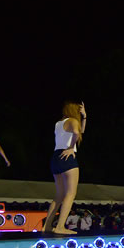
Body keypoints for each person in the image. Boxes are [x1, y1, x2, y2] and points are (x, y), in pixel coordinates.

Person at [44, 100, 86, 235]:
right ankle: (60, 226)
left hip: (56, 157)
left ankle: (47, 226)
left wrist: (85, 117)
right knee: (70, 193)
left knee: (59, 195)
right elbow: (77, 133)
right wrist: (71, 147)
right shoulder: (73, 121)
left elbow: (80, 131)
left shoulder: (58, 123)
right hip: (67, 157)